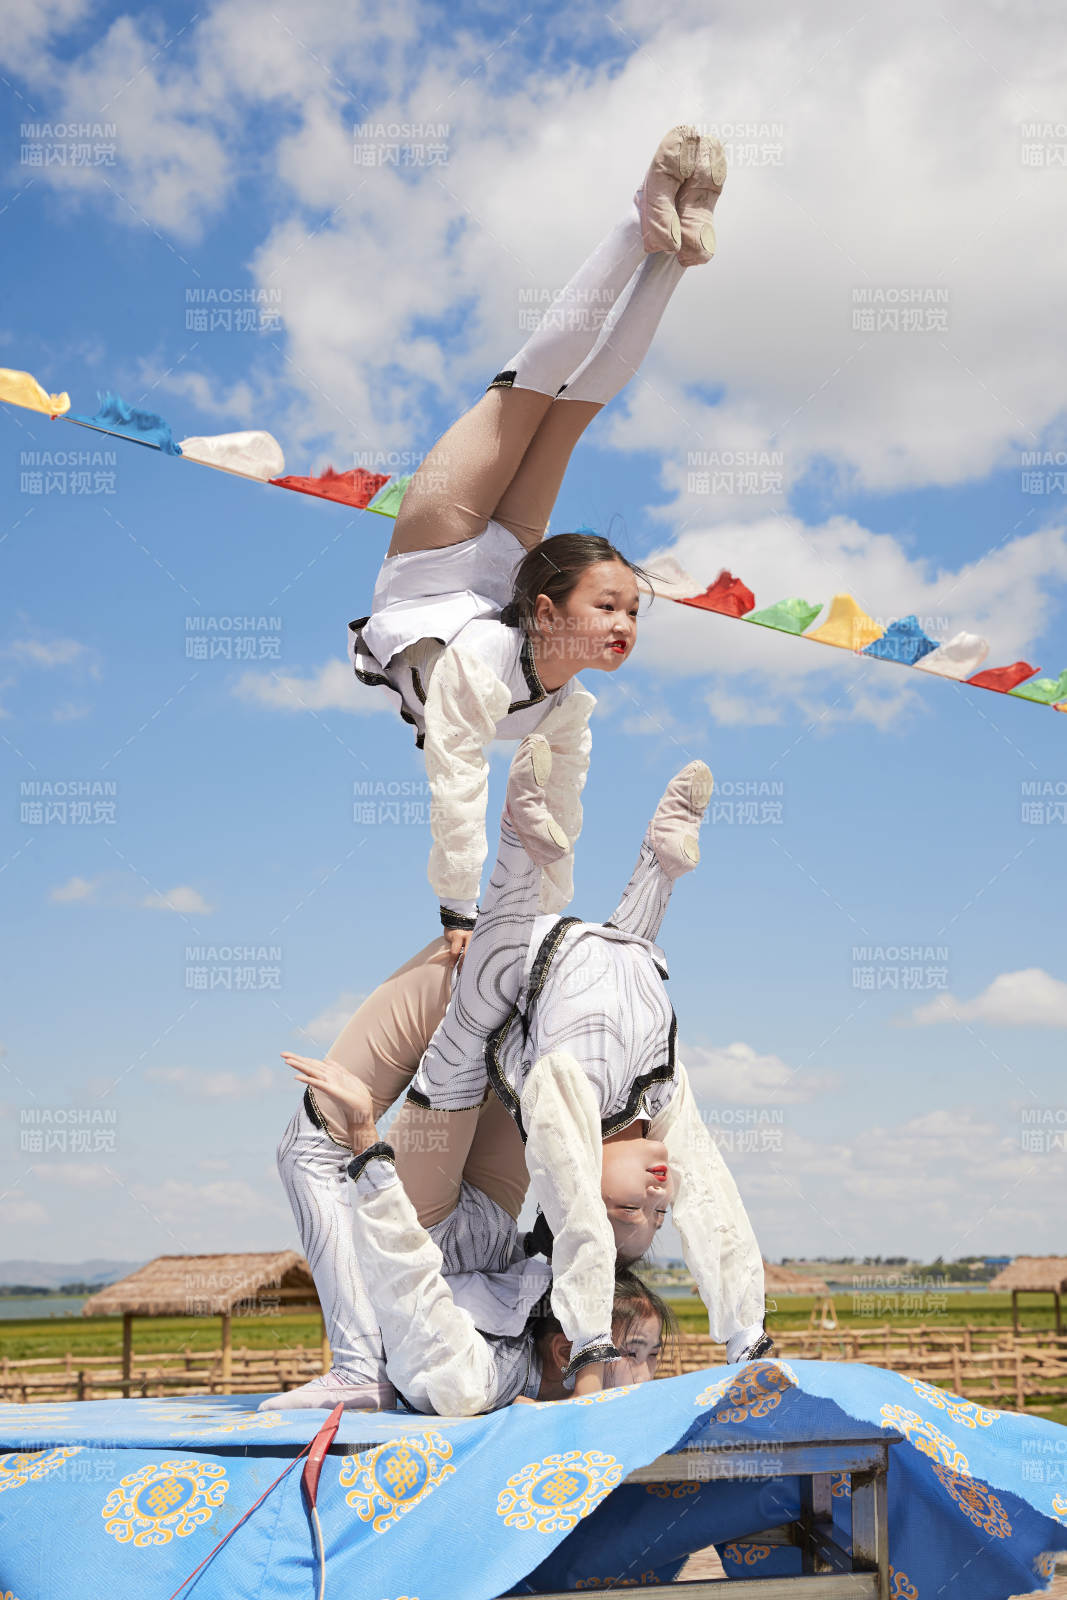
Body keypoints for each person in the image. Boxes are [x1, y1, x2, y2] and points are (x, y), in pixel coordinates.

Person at [348, 126, 728, 957]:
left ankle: (656, 225)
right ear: (549, 608)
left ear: (546, 610)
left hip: (428, 567)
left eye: (627, 609)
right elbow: (504, 795)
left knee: (535, 388)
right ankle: (662, 241)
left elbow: (518, 800)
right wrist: (468, 912)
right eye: (617, 605)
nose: (627, 623)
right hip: (491, 575)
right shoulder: (553, 693)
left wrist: (515, 921)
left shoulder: (520, 686)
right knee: (566, 396)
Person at [406, 735, 770, 1394]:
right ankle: (658, 862)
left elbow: (575, 1218)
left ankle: (521, 834)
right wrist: (746, 1333)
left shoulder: (566, 1107)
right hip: (630, 955)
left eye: (635, 1206)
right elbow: (714, 1203)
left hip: (537, 964)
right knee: (634, 938)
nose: (662, 1195)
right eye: (662, 1214)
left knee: (498, 948)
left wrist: (589, 1342)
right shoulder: (663, 1100)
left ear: (582, 1176)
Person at [270, 1054, 671, 1415]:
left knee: (465, 1043)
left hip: (424, 1223)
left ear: (566, 1354)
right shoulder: (538, 1323)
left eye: (649, 1356)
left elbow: (409, 1279)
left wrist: (363, 1136)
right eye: (637, 1353)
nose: (646, 1375)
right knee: (535, 1056)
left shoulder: (471, 1384)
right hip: (492, 1222)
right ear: (568, 1353)